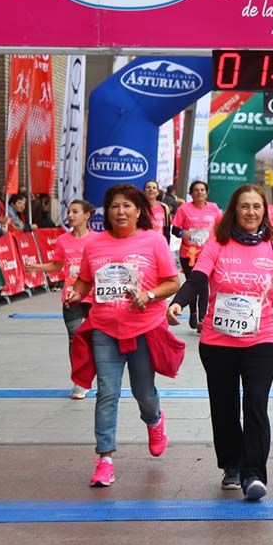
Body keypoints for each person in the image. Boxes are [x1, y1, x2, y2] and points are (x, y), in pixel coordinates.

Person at [167, 184, 273, 501]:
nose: (251, 212)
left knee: (255, 405)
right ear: (234, 211)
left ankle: (254, 474)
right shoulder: (217, 244)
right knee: (223, 408)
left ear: (264, 212)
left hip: (261, 339)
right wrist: (179, 303)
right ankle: (231, 465)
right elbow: (196, 279)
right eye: (244, 206)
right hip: (217, 341)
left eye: (256, 207)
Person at [67, 184, 182, 488]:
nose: (121, 211)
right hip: (104, 328)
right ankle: (105, 459)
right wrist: (73, 292)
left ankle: (155, 420)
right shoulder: (94, 245)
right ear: (107, 211)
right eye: (115, 206)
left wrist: (149, 294)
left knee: (143, 391)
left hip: (144, 329)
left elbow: (173, 282)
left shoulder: (154, 241)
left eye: (127, 206)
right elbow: (84, 281)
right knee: (107, 392)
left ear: (139, 211)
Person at [25, 200, 97, 399]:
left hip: (94, 297)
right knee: (74, 339)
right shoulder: (63, 240)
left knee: (96, 340)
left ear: (86, 216)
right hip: (71, 296)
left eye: (75, 212)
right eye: (69, 212)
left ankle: (97, 373)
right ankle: (79, 382)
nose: (71, 215)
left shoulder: (98, 240)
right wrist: (37, 267)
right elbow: (57, 266)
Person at [171, 180, 223, 330]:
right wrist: (183, 233)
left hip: (208, 253)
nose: (200, 192)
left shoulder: (213, 208)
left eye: (202, 190)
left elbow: (221, 225)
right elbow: (175, 229)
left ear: (207, 192)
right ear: (191, 193)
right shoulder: (184, 209)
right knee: (193, 284)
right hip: (188, 253)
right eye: (196, 190)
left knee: (203, 285)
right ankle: (193, 311)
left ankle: (202, 319)